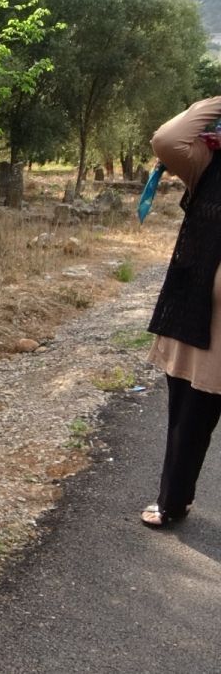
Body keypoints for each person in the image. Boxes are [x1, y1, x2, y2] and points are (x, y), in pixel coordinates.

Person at [138, 96, 221, 528]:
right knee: (187, 420)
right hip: (205, 322)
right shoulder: (210, 162)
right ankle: (173, 502)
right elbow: (167, 140)